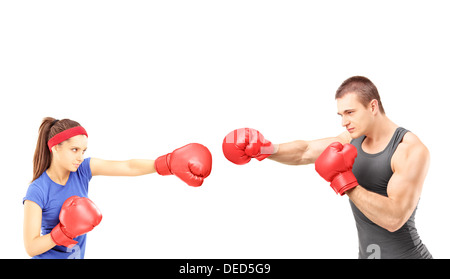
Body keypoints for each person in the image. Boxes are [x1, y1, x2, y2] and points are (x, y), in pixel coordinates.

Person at [222, 76, 432, 259]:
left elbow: (394, 218)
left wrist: (344, 181)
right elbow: (305, 151)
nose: (344, 122)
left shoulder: (409, 149)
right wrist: (266, 149)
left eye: (350, 112)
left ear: (373, 106)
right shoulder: (354, 138)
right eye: (341, 115)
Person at [23, 117, 212, 259]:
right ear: (55, 147)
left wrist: (166, 164)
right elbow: (31, 247)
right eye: (74, 150)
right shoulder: (37, 190)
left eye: (83, 151)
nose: (80, 156)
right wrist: (63, 232)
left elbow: (128, 166)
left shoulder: (82, 171)